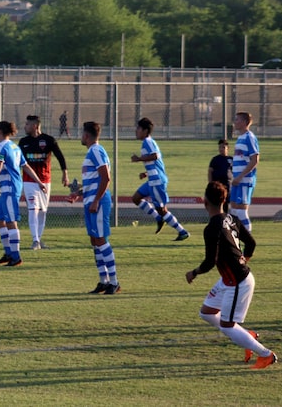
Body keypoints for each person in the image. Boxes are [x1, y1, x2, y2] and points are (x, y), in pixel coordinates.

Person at [186, 181, 277, 369]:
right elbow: (251, 244)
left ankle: (266, 354)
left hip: (238, 281)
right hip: (230, 279)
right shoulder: (232, 218)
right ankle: (246, 337)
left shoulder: (211, 228)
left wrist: (194, 273)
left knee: (227, 325)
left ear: (205, 202)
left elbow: (210, 262)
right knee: (207, 313)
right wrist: (244, 260)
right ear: (224, 199)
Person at [0, 121, 46, 267]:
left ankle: (16, 256)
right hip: (9, 188)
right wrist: (39, 181)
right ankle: (8, 253)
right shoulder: (14, 146)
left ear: (0, 131)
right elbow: (25, 166)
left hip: (10, 187)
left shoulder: (1, 146)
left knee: (10, 222)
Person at [74, 122, 121, 295]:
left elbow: (106, 178)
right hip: (91, 201)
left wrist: (95, 201)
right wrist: (79, 193)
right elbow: (94, 179)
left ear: (86, 135)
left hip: (98, 202)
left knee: (101, 240)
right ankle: (104, 281)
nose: (81, 137)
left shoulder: (95, 150)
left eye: (81, 133)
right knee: (95, 240)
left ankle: (114, 282)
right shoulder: (92, 152)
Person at [130, 117, 190, 241]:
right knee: (136, 198)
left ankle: (182, 231)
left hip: (157, 181)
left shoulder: (147, 141)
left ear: (145, 131)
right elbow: (155, 162)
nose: (136, 131)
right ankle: (158, 218)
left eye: (138, 128)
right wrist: (146, 173)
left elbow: (155, 156)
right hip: (152, 179)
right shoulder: (147, 142)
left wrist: (139, 159)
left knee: (162, 209)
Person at [19, 114, 69, 250]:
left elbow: (60, 157)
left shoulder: (48, 140)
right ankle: (35, 240)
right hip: (29, 181)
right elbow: (19, 162)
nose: (25, 126)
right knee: (33, 209)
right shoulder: (23, 142)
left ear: (35, 126)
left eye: (28, 124)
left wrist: (65, 174)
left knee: (42, 211)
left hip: (46, 181)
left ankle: (39, 240)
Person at [230, 111, 259, 231]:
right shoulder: (240, 138)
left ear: (244, 122)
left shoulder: (249, 137)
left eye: (237, 120)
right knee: (234, 211)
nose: (235, 122)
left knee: (241, 211)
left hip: (244, 180)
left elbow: (255, 160)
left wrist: (240, 176)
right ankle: (235, 240)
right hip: (237, 180)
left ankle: (249, 240)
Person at [207, 139, 233, 212]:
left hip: (227, 185)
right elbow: (210, 172)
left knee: (226, 203)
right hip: (218, 185)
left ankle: (225, 218)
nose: (221, 149)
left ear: (228, 148)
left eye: (223, 147)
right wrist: (211, 183)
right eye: (220, 147)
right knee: (217, 203)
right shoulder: (215, 159)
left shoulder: (231, 159)